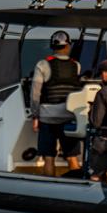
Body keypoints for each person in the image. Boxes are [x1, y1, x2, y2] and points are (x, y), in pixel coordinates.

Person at [30, 30, 82, 176]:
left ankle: (49, 188)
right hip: (68, 116)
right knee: (72, 156)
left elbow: (35, 93)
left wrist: (35, 116)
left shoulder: (42, 64)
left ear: (53, 46)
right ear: (68, 46)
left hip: (47, 117)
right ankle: (77, 188)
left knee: (49, 157)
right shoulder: (76, 66)